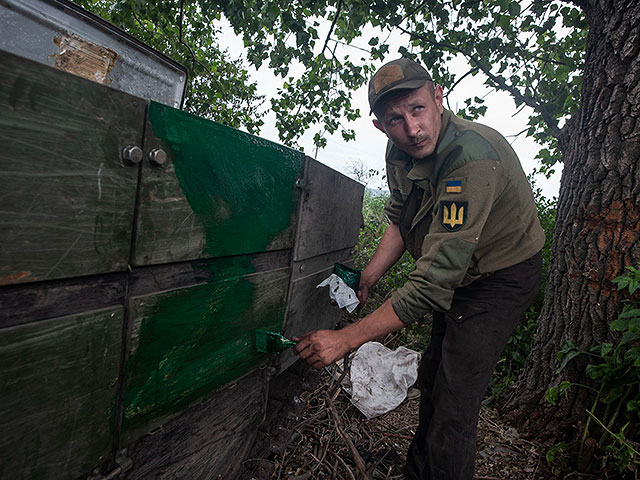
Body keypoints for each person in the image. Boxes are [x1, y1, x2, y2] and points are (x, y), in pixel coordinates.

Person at [294, 57, 545, 480]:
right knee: (432, 377)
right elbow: (400, 218)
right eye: (395, 119)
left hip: (499, 277)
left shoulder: (470, 160)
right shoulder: (402, 150)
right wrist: (367, 279)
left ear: (438, 98)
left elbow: (432, 283)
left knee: (454, 402)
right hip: (455, 273)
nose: (412, 129)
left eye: (418, 109)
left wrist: (345, 339)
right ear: (380, 125)